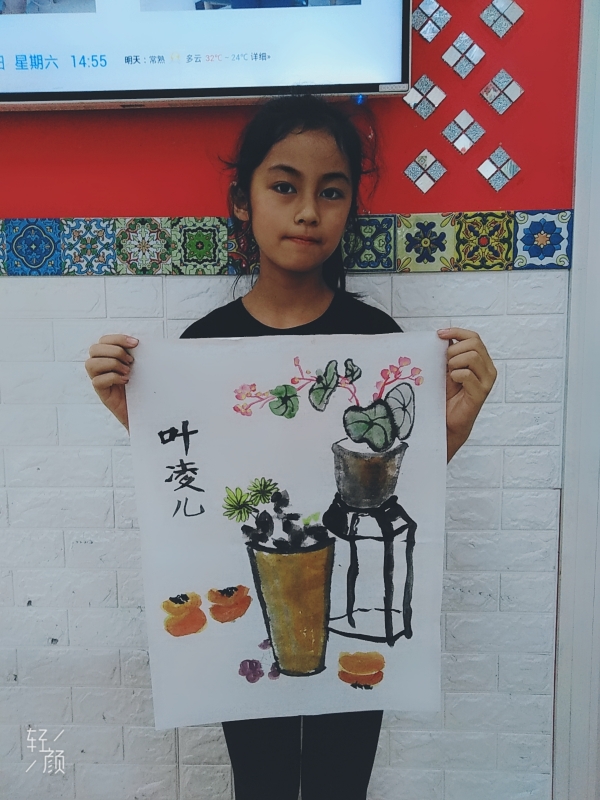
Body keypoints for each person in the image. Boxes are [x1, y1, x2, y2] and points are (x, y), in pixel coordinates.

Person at [85, 95, 496, 800]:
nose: (308, 211)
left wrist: (454, 426)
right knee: (262, 781)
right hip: (255, 595)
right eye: (284, 186)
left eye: (331, 192)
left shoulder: (378, 341)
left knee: (342, 782)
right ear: (241, 201)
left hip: (352, 597)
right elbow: (204, 483)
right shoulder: (203, 348)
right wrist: (137, 414)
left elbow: (389, 486)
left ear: (350, 208)